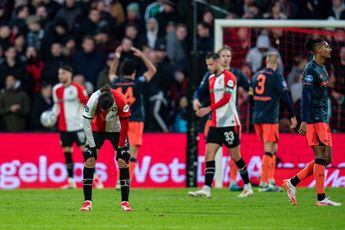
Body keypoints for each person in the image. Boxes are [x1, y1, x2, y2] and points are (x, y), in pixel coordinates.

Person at [282, 39, 342, 206]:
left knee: (326, 158)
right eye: (325, 46)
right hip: (314, 119)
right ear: (317, 50)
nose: (329, 49)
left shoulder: (323, 68)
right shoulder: (310, 69)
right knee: (320, 156)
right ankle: (321, 198)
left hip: (323, 118)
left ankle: (292, 182)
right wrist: (305, 120)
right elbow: (306, 97)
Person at [188, 53, 253, 198]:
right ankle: (206, 189)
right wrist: (197, 101)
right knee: (208, 154)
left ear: (218, 63)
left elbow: (226, 98)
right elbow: (204, 93)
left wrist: (208, 109)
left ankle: (248, 187)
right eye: (207, 65)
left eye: (211, 64)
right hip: (216, 124)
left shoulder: (230, 77)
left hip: (229, 123)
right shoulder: (211, 79)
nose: (209, 67)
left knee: (236, 157)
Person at [249, 52, 297, 192]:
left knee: (273, 149)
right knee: (269, 151)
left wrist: (260, 106)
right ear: (278, 64)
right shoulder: (277, 77)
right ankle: (263, 183)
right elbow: (286, 97)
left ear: (266, 61)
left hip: (257, 118)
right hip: (270, 119)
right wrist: (293, 116)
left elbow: (250, 98)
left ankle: (270, 180)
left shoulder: (255, 76)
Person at [109, 46, 157, 186]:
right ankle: (125, 180)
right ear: (135, 72)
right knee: (132, 154)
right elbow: (153, 70)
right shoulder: (138, 83)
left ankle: (119, 180)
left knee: (120, 151)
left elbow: (111, 72)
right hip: (135, 120)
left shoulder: (116, 82)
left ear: (122, 72)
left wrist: (117, 57)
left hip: (119, 122)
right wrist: (142, 55)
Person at [80, 85, 132, 212]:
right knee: (89, 159)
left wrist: (120, 146)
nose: (105, 114)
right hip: (97, 130)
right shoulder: (93, 99)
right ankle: (87, 202)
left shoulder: (120, 99)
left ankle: (125, 202)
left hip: (117, 130)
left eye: (108, 110)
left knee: (123, 161)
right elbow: (86, 123)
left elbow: (125, 124)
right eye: (103, 111)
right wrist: (91, 145)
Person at [52, 65, 102, 189]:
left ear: (70, 74)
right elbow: (57, 106)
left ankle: (95, 179)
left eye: (63, 73)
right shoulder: (56, 89)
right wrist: (53, 116)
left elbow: (87, 104)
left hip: (78, 127)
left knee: (86, 154)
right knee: (67, 153)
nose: (60, 76)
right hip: (63, 127)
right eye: (59, 74)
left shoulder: (77, 88)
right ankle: (71, 182)